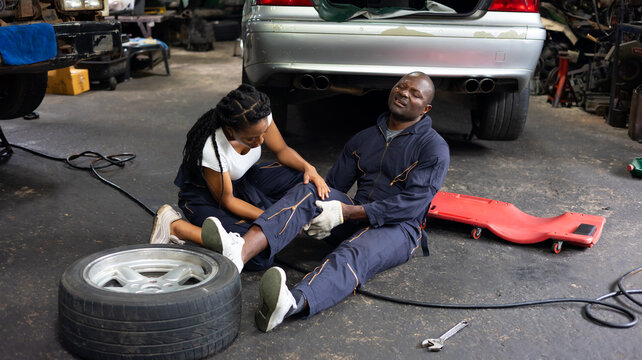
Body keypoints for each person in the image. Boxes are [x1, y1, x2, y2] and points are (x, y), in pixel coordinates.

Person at [202, 72, 450, 332]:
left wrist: (345, 212)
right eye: (401, 87)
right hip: (354, 217)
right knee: (311, 190)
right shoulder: (365, 139)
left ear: (426, 108)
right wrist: (312, 214)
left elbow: (412, 205)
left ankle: (291, 303)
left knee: (354, 252)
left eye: (415, 93)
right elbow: (331, 189)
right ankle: (238, 252)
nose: (404, 93)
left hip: (400, 229)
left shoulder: (433, 148)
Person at [149, 84, 330, 271]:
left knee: (302, 177)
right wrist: (275, 218)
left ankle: (280, 216)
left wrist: (310, 168)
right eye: (252, 138)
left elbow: (282, 150)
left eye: (263, 135)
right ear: (230, 130)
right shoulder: (212, 149)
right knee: (258, 256)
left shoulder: (261, 118)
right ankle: (175, 226)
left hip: (243, 180)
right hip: (206, 198)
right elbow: (228, 201)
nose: (260, 142)